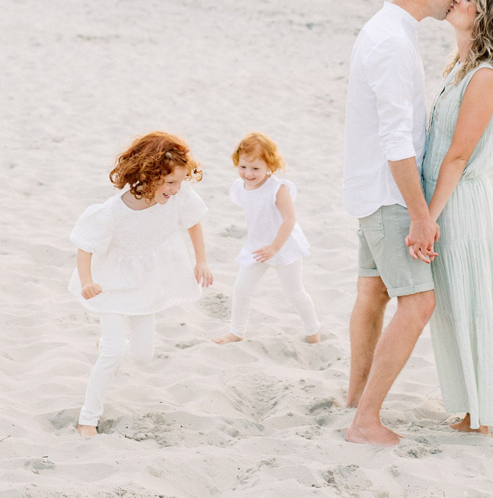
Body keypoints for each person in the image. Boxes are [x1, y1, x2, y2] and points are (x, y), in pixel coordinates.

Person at [343, 0, 468, 446]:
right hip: (389, 194)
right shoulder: (393, 42)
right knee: (417, 304)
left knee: (371, 294)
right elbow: (397, 141)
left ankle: (355, 398)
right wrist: (420, 214)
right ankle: (365, 420)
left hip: (368, 187)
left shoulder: (386, 28)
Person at [422, 0, 493, 433]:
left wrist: (428, 216)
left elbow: (459, 155)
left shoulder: (486, 76)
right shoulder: (462, 67)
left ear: (483, 17)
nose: (456, 0)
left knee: (469, 301)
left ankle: (481, 412)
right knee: (464, 300)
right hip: (448, 195)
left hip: (459, 201)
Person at [69, 131, 213, 437]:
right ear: (147, 176)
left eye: (180, 181)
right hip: (109, 284)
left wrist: (201, 260)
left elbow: (193, 223)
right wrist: (87, 281)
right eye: (170, 183)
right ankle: (87, 418)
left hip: (148, 281)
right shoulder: (112, 212)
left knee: (142, 354)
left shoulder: (178, 195)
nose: (176, 189)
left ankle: (108, 343)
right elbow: (86, 247)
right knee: (113, 354)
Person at [214, 131, 320, 346]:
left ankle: (313, 329)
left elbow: (289, 219)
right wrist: (265, 246)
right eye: (243, 167)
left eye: (255, 169)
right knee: (241, 289)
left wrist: (275, 247)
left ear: (270, 166)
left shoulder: (278, 188)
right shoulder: (240, 187)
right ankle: (236, 331)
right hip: (256, 247)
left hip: (284, 245)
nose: (248, 173)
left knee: (295, 293)